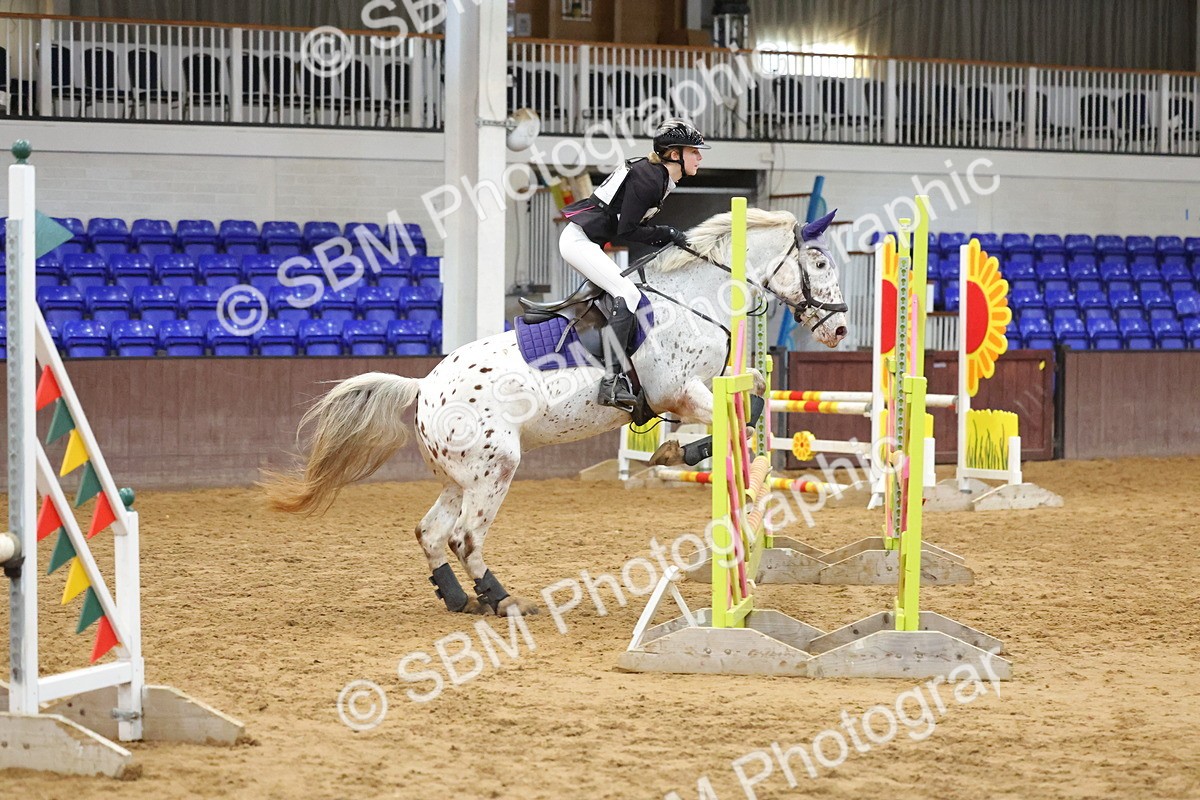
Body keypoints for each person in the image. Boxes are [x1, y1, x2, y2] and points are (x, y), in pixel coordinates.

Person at [558, 118, 709, 411]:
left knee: (628, 292)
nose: (699, 157)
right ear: (674, 154)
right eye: (694, 151)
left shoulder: (657, 176)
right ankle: (610, 383)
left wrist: (666, 236)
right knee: (627, 294)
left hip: (589, 242)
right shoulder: (649, 179)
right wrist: (666, 233)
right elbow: (626, 230)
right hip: (578, 242)